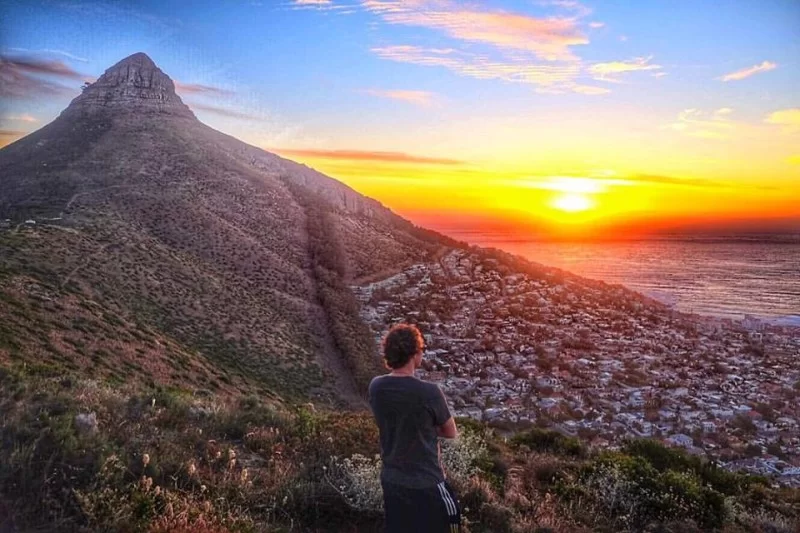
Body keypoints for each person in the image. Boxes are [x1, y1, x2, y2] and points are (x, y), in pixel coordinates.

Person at [368, 323, 461, 533]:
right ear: (414, 354)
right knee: (451, 522)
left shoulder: (376, 386)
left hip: (392, 480)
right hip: (426, 481)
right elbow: (450, 432)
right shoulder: (429, 392)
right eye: (421, 349)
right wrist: (425, 426)